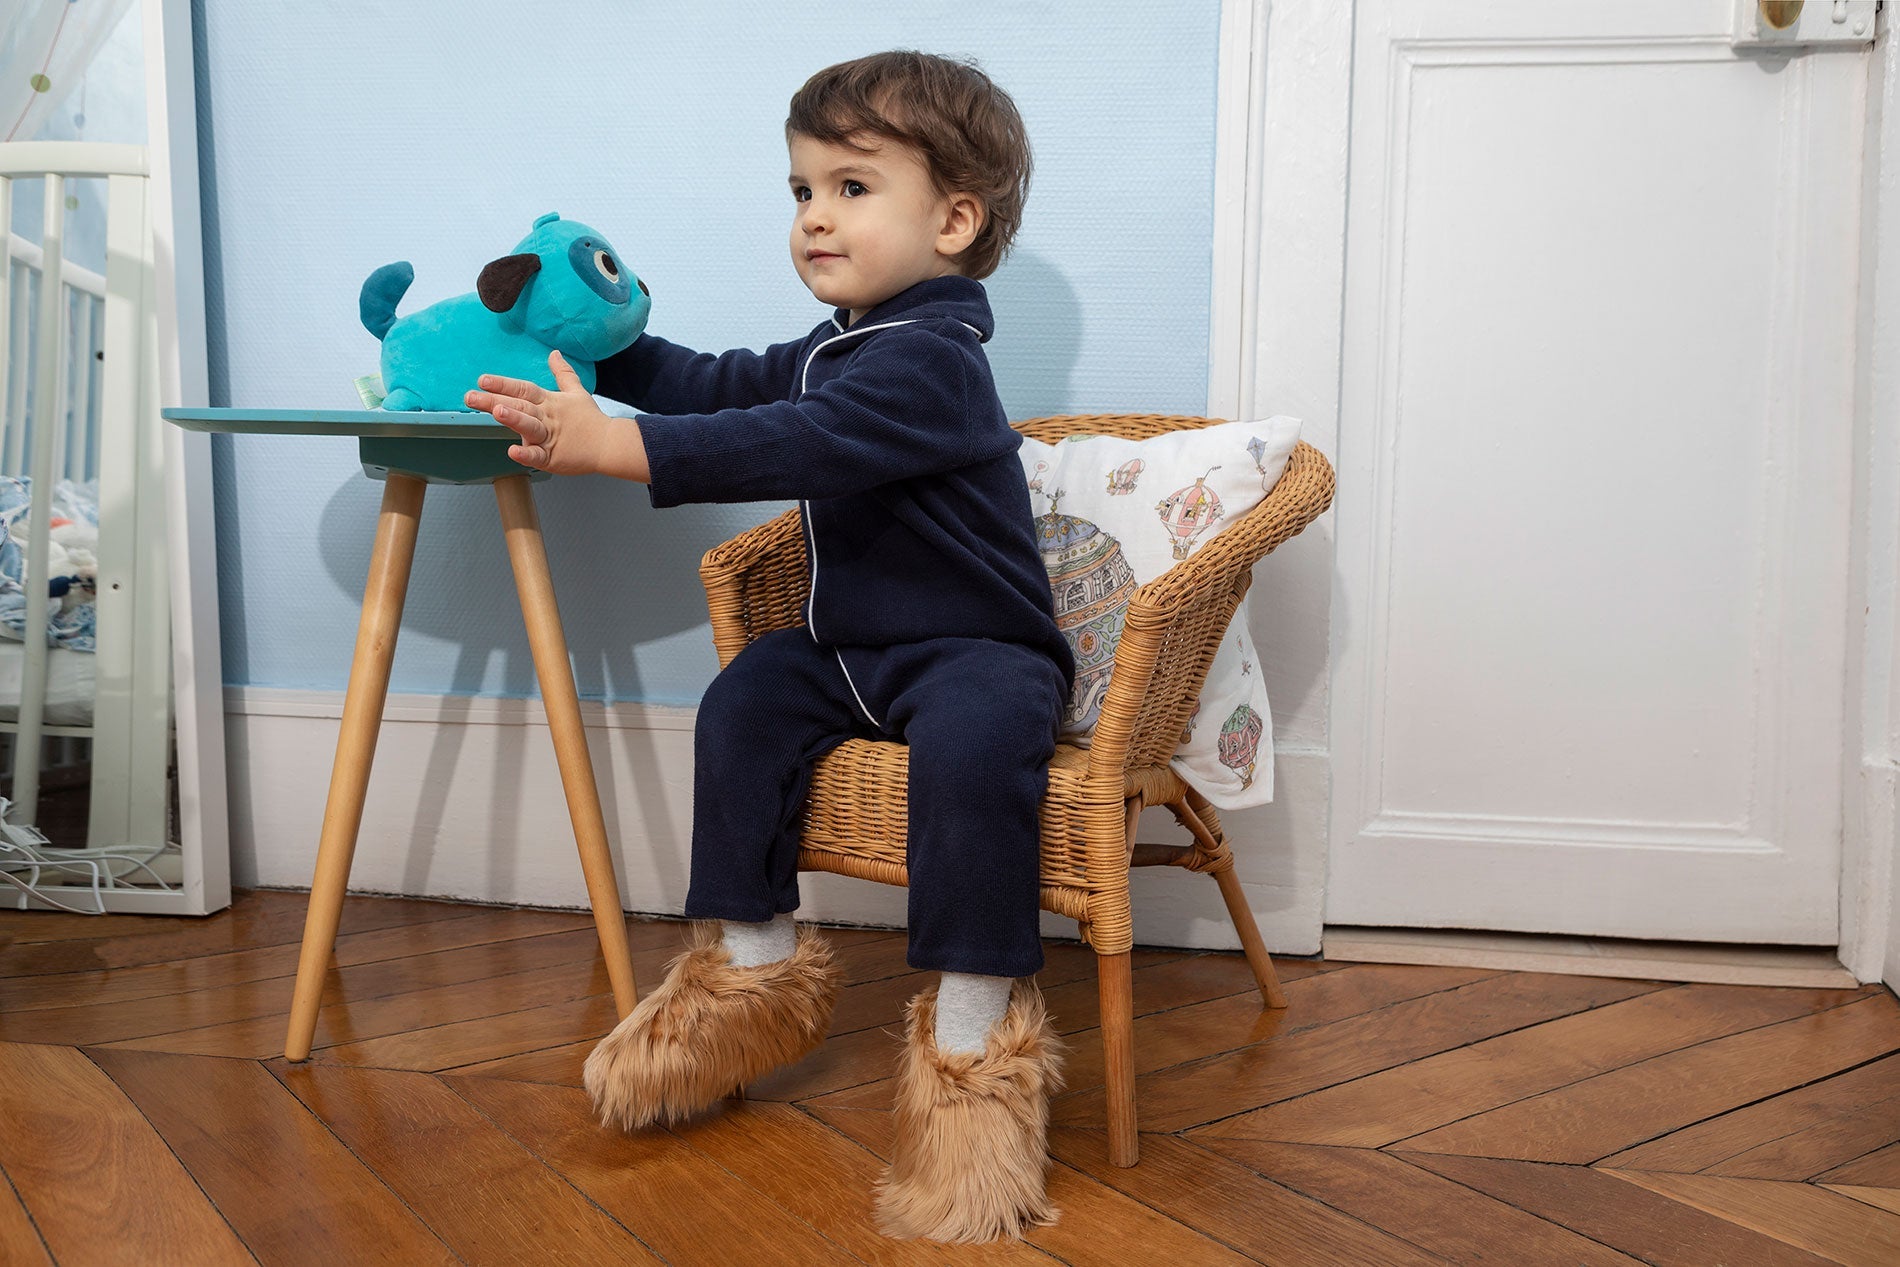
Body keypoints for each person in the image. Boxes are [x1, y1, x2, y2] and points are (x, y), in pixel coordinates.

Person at [465, 51, 1072, 1243]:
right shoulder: (837, 341)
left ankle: (970, 1030)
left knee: (975, 758)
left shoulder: (935, 361)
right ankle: (747, 967)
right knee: (746, 696)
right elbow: (714, 383)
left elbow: (796, 439)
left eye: (851, 188)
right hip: (850, 648)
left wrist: (621, 451)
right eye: (800, 190)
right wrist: (608, 350)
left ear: (954, 219)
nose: (813, 217)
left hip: (975, 649)